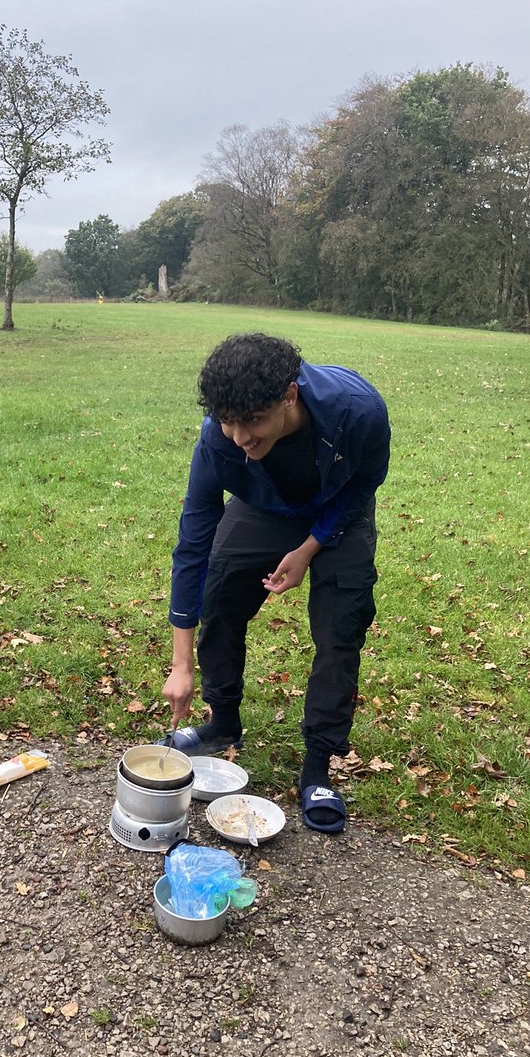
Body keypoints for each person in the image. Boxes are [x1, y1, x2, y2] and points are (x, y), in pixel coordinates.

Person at [160, 333, 390, 833]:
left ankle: (317, 767)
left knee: (340, 628)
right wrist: (181, 665)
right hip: (265, 505)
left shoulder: (360, 411)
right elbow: (193, 542)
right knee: (220, 594)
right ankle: (222, 721)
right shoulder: (219, 440)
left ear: (289, 395)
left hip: (338, 512)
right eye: (229, 420)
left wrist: (310, 547)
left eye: (253, 420)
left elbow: (364, 484)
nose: (240, 436)